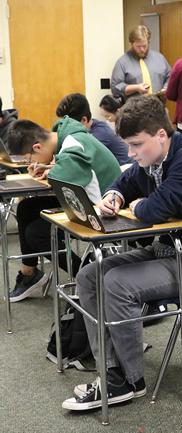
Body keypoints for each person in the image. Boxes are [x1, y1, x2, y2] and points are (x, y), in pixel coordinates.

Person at [63, 95, 182, 411]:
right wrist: (115, 196)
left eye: (136, 145)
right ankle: (111, 371)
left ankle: (130, 381)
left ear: (160, 135)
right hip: (168, 251)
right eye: (127, 146)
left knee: (118, 283)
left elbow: (155, 209)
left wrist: (140, 204)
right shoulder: (153, 158)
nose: (131, 153)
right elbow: (125, 181)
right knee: (90, 275)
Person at [5, 117, 121, 301]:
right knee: (26, 208)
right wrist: (49, 166)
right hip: (85, 199)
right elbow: (71, 170)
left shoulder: (73, 144)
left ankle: (91, 277)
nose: (30, 163)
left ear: (37, 147)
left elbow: (64, 178)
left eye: (29, 159)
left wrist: (52, 170)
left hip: (102, 209)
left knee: (37, 234)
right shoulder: (65, 136)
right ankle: (29, 273)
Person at [55, 93, 132, 166]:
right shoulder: (91, 129)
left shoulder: (99, 134)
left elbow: (78, 161)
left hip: (124, 168)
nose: (64, 129)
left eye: (67, 125)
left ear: (84, 120)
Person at [110, 25, 170, 101]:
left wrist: (166, 88)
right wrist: (136, 88)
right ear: (132, 44)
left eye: (144, 46)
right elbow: (115, 88)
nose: (142, 49)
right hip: (134, 107)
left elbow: (170, 76)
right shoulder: (122, 62)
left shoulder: (160, 58)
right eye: (138, 46)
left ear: (148, 42)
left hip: (158, 105)